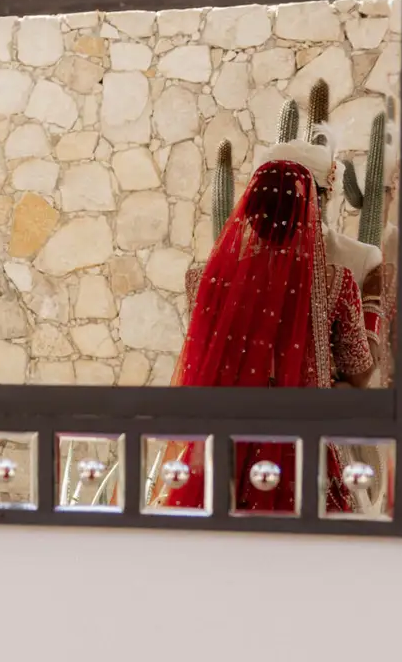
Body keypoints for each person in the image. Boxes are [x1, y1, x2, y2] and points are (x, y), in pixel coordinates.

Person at [157, 142, 375, 514]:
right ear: (312, 208)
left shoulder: (203, 281)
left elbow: (203, 364)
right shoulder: (336, 284)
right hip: (304, 451)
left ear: (249, 208)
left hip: (222, 449)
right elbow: (358, 375)